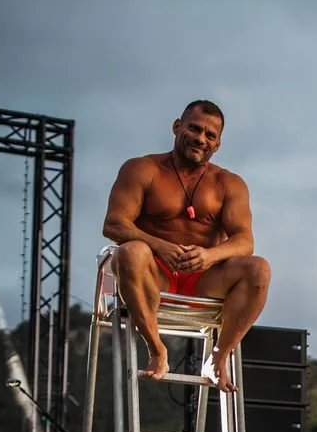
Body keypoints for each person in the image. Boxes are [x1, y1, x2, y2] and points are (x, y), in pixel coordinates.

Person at [102, 99, 271, 391]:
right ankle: (156, 349)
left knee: (259, 269)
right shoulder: (143, 169)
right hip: (154, 277)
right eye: (194, 128)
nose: (200, 139)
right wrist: (160, 246)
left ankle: (218, 358)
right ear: (177, 126)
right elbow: (115, 225)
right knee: (130, 251)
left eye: (210, 135)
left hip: (204, 281)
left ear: (218, 144)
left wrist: (210, 255)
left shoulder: (229, 184)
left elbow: (245, 240)